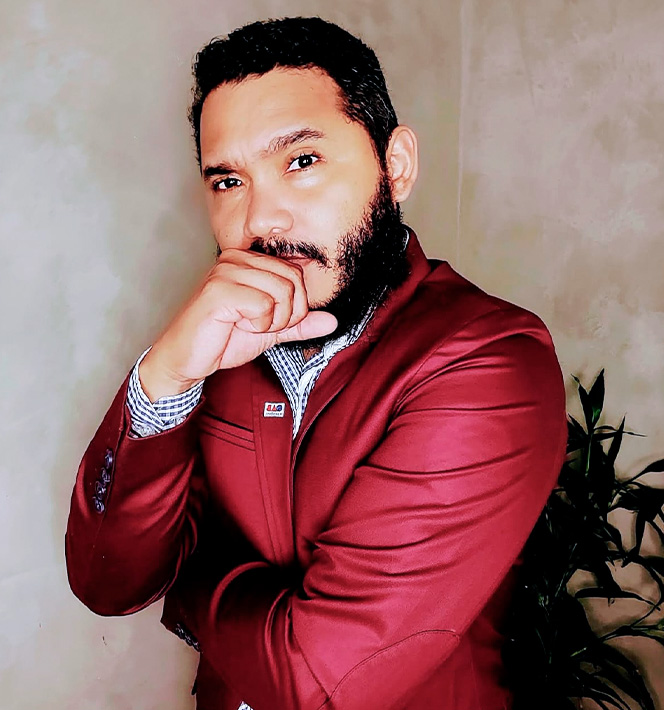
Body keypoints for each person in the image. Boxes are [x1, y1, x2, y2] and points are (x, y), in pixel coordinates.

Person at [65, 16, 567, 710]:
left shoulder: (487, 359)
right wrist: (167, 376)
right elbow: (107, 582)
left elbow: (317, 684)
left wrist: (188, 581)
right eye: (228, 181)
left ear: (396, 166)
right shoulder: (221, 342)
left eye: (301, 162)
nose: (261, 221)